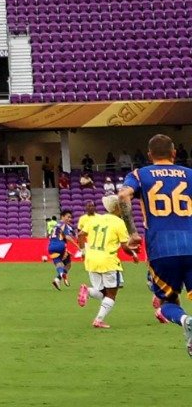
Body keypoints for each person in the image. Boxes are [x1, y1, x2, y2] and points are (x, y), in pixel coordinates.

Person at [117, 133, 192, 353]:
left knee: (167, 301)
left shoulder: (140, 175)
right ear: (174, 153)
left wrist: (132, 233)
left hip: (161, 248)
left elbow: (122, 197)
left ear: (149, 155)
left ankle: (186, 321)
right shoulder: (189, 174)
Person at [76, 195, 137, 329]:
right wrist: (133, 253)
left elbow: (80, 235)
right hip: (108, 261)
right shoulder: (119, 223)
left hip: (91, 260)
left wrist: (83, 251)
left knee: (104, 293)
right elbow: (124, 246)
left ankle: (89, 292)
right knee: (111, 294)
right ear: (117, 207)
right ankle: (98, 319)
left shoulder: (95, 219)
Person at [47, 210, 79, 290]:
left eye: (70, 217)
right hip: (60, 246)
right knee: (68, 264)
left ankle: (58, 278)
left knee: (58, 263)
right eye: (68, 217)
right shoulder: (64, 225)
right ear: (62, 216)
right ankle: (61, 275)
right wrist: (77, 246)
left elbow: (52, 236)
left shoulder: (55, 226)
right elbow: (67, 237)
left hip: (51, 247)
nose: (69, 219)